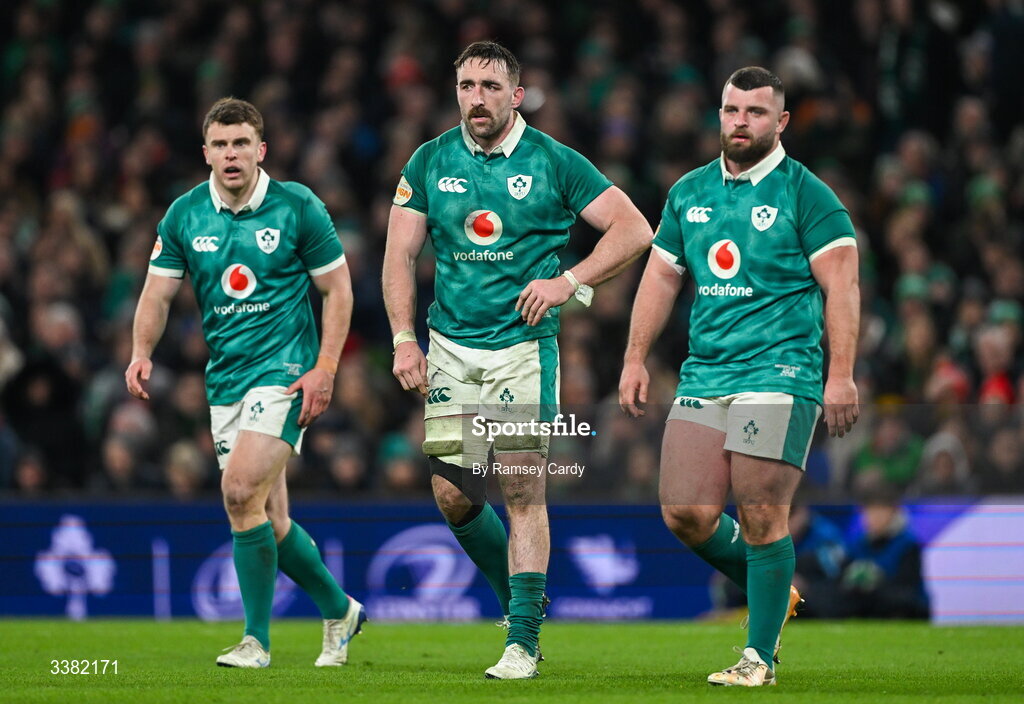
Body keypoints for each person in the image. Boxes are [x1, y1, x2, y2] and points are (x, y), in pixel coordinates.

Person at [383, 41, 652, 679]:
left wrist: (570, 282)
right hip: (449, 347)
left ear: (517, 94)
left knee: (521, 487)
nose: (477, 98)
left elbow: (635, 228)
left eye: (490, 86)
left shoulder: (554, 162)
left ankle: (523, 641)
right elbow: (399, 255)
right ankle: (518, 603)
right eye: (467, 86)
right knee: (452, 495)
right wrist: (401, 338)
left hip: (521, 353)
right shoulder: (428, 160)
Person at [619, 67, 860, 687]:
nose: (739, 122)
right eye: (731, 110)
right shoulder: (688, 193)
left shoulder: (808, 195)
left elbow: (843, 286)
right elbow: (662, 276)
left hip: (780, 371)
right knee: (685, 513)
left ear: (780, 123)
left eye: (755, 112)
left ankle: (759, 658)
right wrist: (633, 357)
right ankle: (776, 588)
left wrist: (841, 375)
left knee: (759, 511)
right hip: (707, 371)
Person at [125, 98, 364, 669]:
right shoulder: (184, 214)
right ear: (205, 152)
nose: (230, 154)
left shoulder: (297, 206)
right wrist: (140, 352)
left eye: (241, 144)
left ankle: (255, 640)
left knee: (237, 493)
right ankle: (341, 611)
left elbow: (338, 291)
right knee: (265, 517)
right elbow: (157, 294)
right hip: (225, 380)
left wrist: (325, 368)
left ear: (261, 150)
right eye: (220, 144)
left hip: (285, 372)